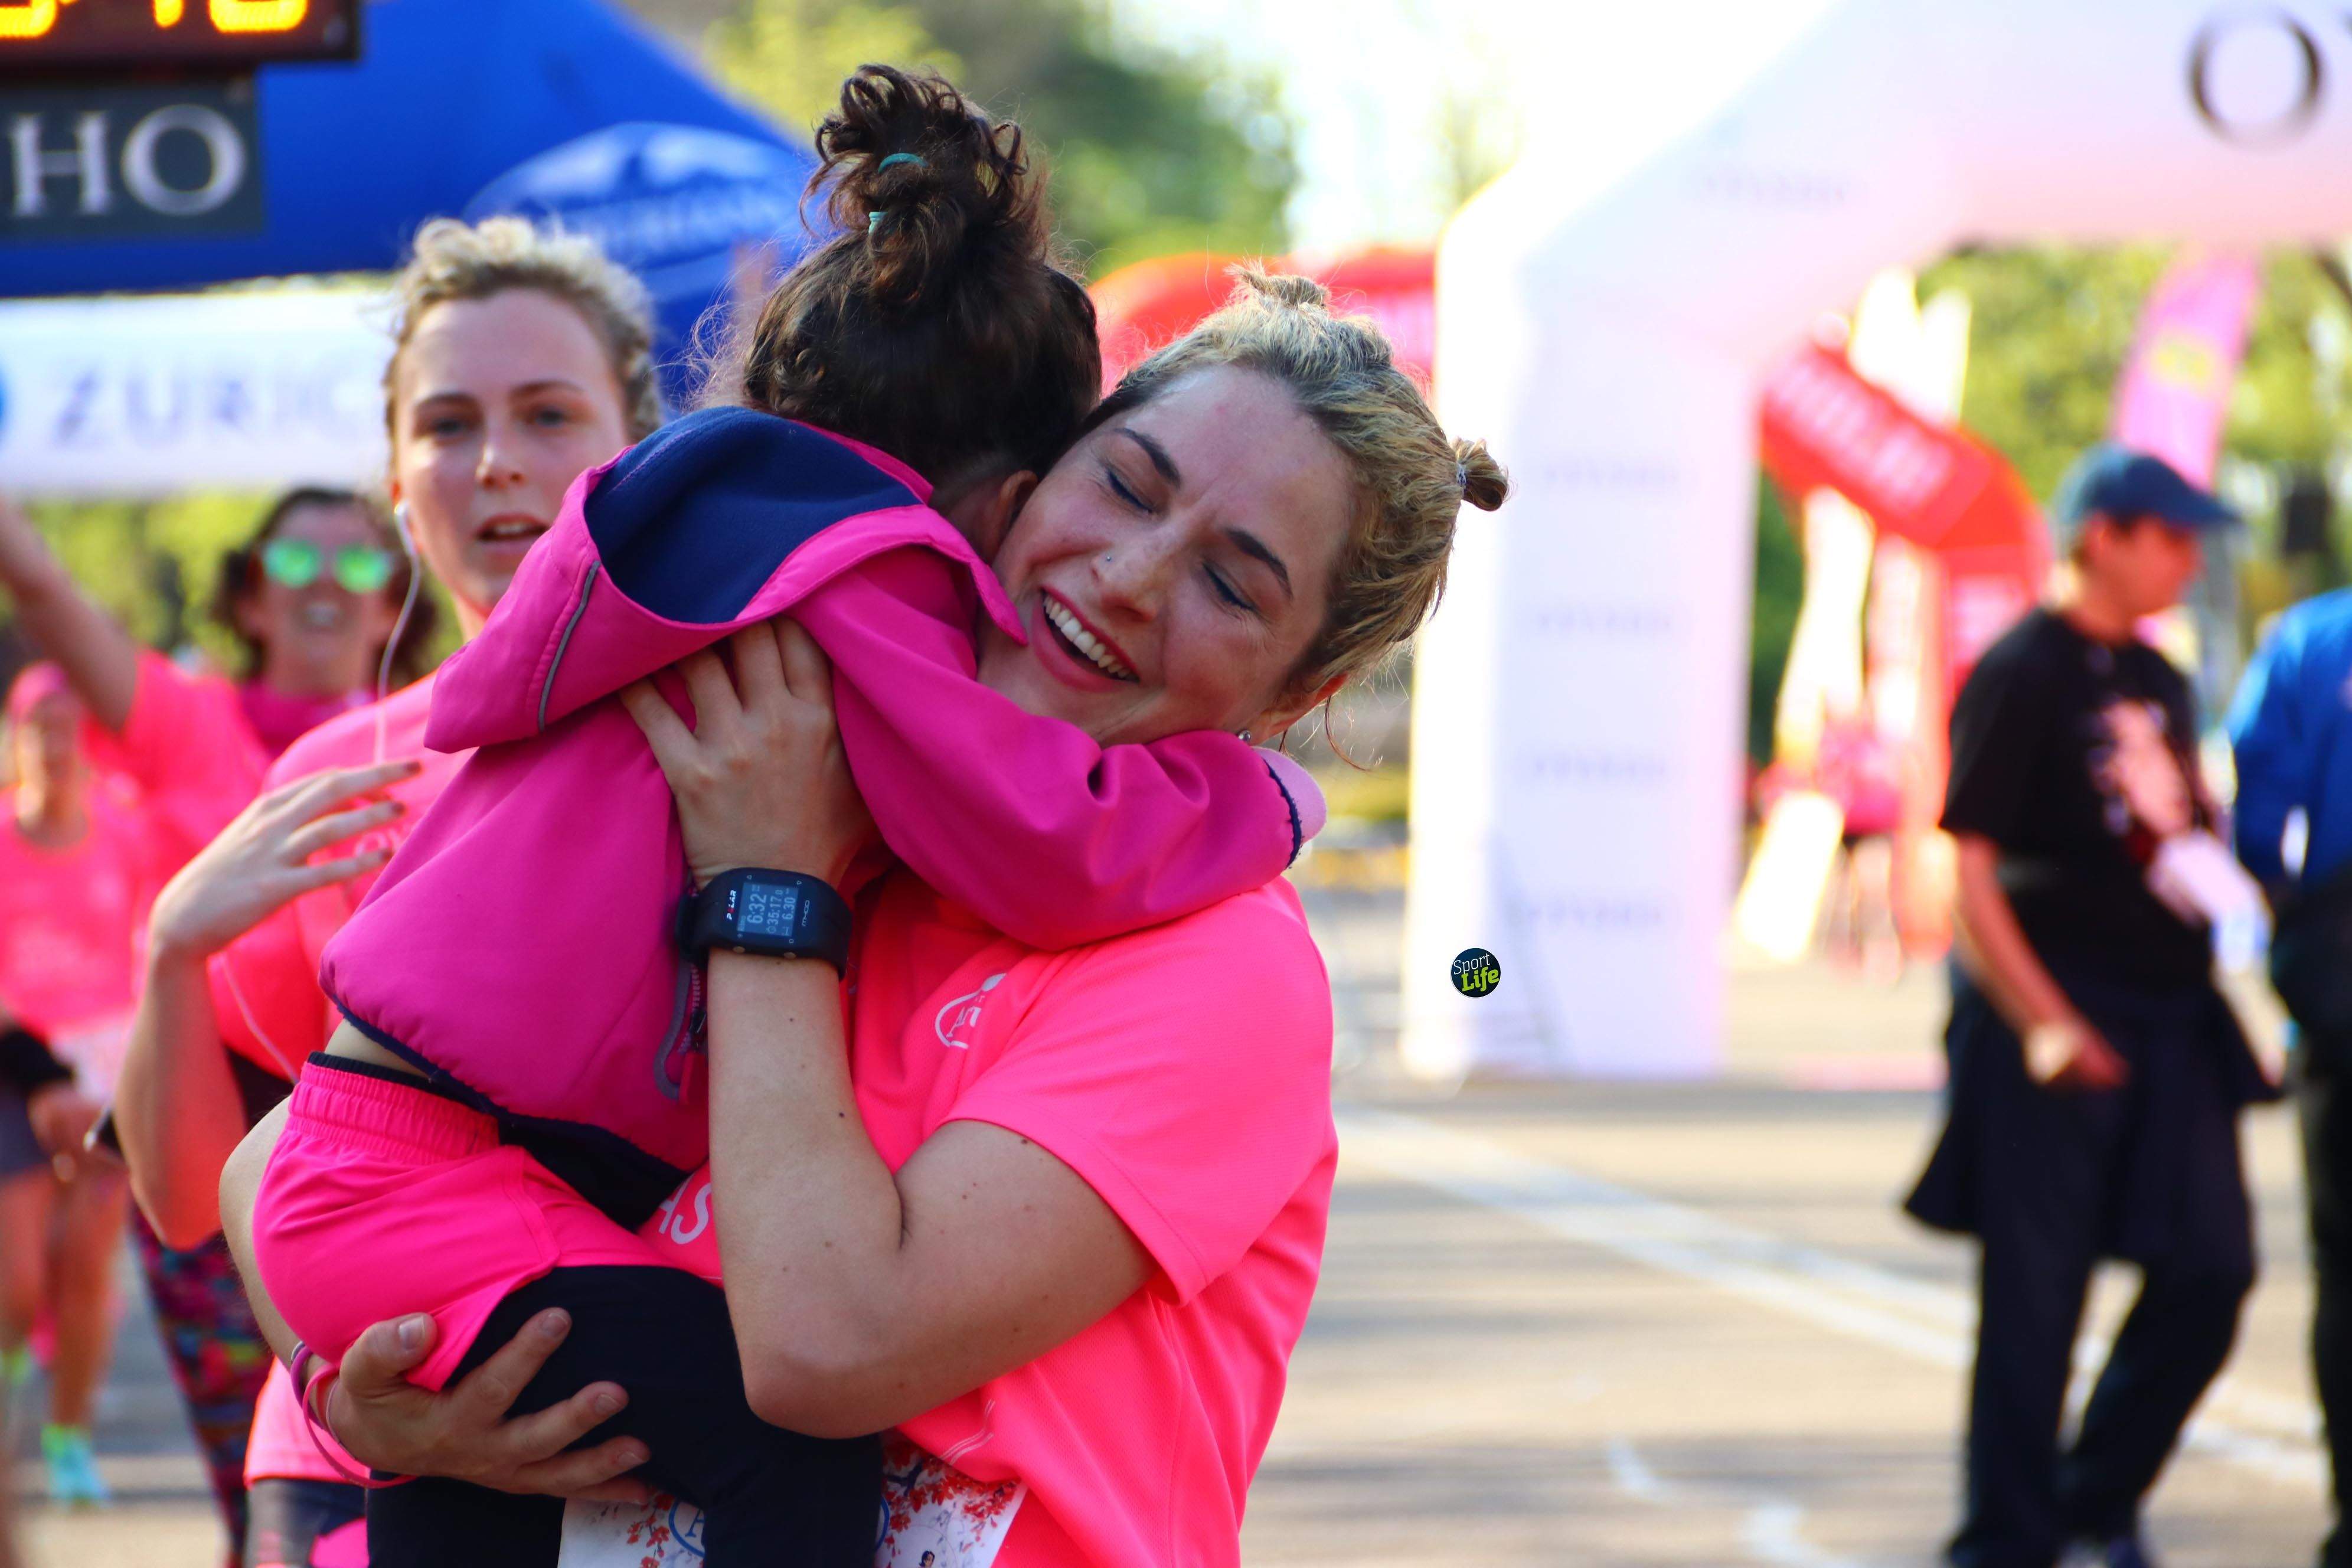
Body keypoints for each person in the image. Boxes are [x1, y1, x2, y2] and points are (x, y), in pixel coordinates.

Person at [223, 269, 1507, 1568]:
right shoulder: (827, 777)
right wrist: (362, 1390)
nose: (1130, 574)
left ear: (1297, 692)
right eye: (1125, 484)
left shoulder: (1219, 965)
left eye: (1232, 586)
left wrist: (767, 886)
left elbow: (829, 1346)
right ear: (1029, 480)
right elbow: (291, 1147)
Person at [112, 215, 658, 1568]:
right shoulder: (332, 779)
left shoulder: (740, 732)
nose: (497, 461)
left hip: (663, 1428)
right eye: (447, 424)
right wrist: (173, 950)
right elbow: (196, 1198)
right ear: (400, 489)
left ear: (640, 444)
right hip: (351, 1452)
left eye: (547, 413)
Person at [0, 482, 429, 1546]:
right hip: (207, 1162)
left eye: (359, 562)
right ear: (248, 601)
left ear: (392, 602)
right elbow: (44, 591)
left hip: (399, 1158)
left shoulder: (449, 736)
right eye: (292, 562)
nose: (325, 582)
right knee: (269, 1491)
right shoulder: (188, 727)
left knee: (411, 1485)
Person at [1903, 443, 2273, 1568]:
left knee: (2214, 1266)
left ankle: (2091, 1496)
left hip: (2173, 1013)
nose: (2189, 560)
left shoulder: (2158, 677)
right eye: (2171, 537)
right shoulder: (2022, 669)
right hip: (2052, 1012)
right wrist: (2044, 1020)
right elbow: (1968, 871)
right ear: (2102, 537)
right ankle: (2008, 1541)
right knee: (2037, 1297)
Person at [0, 665, 156, 1505]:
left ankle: (68, 1442)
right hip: (15, 1068)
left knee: (85, 1267)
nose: (56, 745)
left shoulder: (122, 834)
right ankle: (13, 1369)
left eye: (70, 726)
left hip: (105, 1072)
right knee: (19, 1275)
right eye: (40, 727)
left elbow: (151, 948)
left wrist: (132, 1069)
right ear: (15, 738)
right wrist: (41, 1076)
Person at [2227, 583, 2352, 1568]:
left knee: (2346, 1262)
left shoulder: (2313, 637)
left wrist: (2293, 918)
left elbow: (2260, 821)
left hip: (2341, 970)